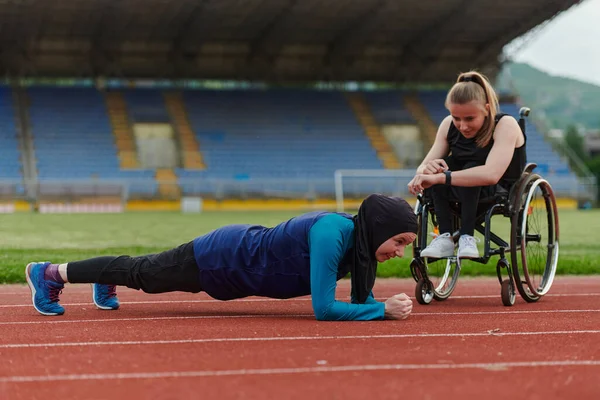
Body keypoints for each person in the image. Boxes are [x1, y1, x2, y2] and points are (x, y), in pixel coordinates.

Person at [26, 194, 418, 321]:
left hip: (236, 272)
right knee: (145, 275)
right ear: (378, 227)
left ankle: (108, 276)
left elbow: (360, 302)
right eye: (398, 241)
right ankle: (49, 273)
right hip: (224, 258)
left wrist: (380, 305)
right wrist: (381, 310)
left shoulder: (364, 246)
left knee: (143, 272)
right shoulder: (332, 233)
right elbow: (324, 307)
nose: (399, 252)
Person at [407, 71, 526, 259]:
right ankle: (445, 236)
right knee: (441, 164)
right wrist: (426, 171)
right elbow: (423, 166)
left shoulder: (506, 125)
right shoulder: (448, 125)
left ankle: (467, 236)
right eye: (456, 118)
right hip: (457, 184)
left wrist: (439, 177)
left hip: (497, 188)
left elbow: (491, 174)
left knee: (470, 166)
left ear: (487, 109)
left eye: (470, 119)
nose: (462, 126)